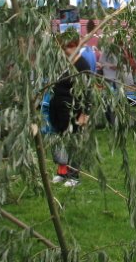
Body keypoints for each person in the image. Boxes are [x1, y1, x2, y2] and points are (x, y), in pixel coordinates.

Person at [49, 30, 91, 188]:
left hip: (74, 108)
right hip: (57, 107)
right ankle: (61, 171)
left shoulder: (82, 64)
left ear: (76, 46)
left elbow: (88, 91)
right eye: (63, 46)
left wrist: (85, 113)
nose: (65, 50)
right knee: (60, 139)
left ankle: (74, 175)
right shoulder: (60, 62)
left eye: (68, 46)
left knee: (73, 141)